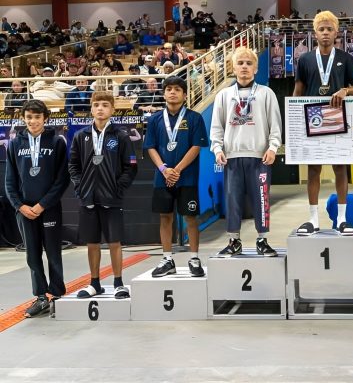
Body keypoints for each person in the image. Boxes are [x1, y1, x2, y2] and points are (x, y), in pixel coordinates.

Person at [293, 10, 353, 236]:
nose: (325, 33)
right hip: (313, 116)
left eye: (329, 29)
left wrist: (346, 90)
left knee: (340, 168)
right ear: (315, 33)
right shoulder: (304, 59)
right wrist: (294, 118)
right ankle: (313, 220)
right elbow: (298, 91)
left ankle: (342, 219)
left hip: (337, 115)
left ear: (336, 33)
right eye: (321, 29)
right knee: (313, 170)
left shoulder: (344, 58)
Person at [210, 47, 282, 257]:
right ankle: (234, 241)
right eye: (240, 63)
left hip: (259, 156)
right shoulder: (223, 95)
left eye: (248, 63)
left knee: (261, 198)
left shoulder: (266, 93)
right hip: (232, 157)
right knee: (232, 199)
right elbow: (217, 126)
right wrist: (217, 149)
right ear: (233, 68)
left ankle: (262, 240)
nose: (244, 67)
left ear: (256, 68)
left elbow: (275, 125)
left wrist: (272, 147)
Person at [68, 91, 137, 299]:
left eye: (105, 105)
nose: (100, 108)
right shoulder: (81, 136)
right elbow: (73, 165)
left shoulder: (121, 136)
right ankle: (94, 283)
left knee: (115, 242)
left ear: (112, 109)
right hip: (88, 198)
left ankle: (118, 283)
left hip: (111, 198)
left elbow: (131, 166)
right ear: (91, 108)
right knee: (92, 243)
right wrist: (80, 187)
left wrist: (118, 188)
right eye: (96, 104)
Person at [5, 100, 70, 317]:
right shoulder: (14, 144)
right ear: (23, 118)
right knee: (32, 256)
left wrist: (42, 205)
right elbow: (10, 181)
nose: (33, 121)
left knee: (53, 253)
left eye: (37, 117)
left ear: (45, 118)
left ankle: (58, 295)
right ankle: (41, 297)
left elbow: (62, 179)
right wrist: (20, 205)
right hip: (24, 210)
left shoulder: (57, 142)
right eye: (29, 117)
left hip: (48, 208)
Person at [143, 76, 208, 278]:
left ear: (185, 94)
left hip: (186, 177)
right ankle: (167, 258)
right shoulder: (154, 119)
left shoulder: (194, 118)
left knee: (190, 217)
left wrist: (177, 170)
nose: (172, 92)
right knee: (165, 217)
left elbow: (196, 147)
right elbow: (150, 147)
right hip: (162, 178)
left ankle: (194, 257)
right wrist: (164, 170)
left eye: (177, 89)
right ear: (164, 94)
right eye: (169, 89)